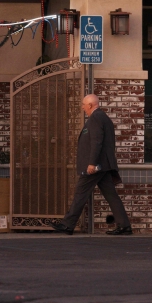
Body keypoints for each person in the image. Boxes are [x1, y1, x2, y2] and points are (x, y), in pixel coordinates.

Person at [51, 94, 132, 235]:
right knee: (111, 195)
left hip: (96, 166)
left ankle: (67, 225)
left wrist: (91, 163)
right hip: (104, 166)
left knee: (80, 193)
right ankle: (124, 226)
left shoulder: (95, 118)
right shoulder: (103, 117)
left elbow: (96, 142)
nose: (82, 107)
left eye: (83, 105)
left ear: (90, 105)